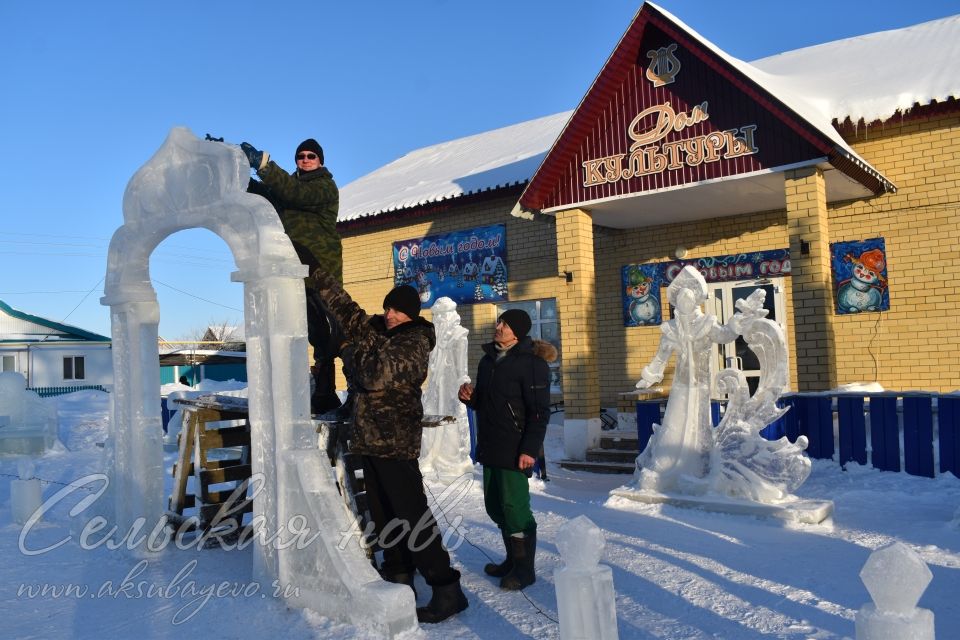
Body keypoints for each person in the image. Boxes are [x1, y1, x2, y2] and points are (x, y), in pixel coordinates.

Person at [309, 267, 468, 624]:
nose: (389, 314)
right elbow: (347, 310)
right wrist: (318, 275)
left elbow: (374, 375)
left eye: (397, 310)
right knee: (383, 514)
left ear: (412, 314)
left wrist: (348, 349)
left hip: (396, 442)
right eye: (387, 308)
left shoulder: (415, 341)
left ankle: (447, 589)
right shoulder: (379, 329)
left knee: (412, 516)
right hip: (369, 439)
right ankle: (399, 578)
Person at [239, 138, 343, 414]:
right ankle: (323, 395)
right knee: (315, 337)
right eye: (300, 156)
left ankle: (359, 393)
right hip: (296, 275)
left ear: (320, 160)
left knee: (338, 336)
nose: (305, 160)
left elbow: (295, 193)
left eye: (311, 156)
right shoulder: (289, 189)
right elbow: (267, 195)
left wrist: (263, 164)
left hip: (323, 275)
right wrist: (239, 174)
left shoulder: (323, 187)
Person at [458, 309, 555, 590]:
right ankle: (512, 560)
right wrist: (471, 398)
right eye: (499, 322)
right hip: (491, 446)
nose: (498, 326)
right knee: (495, 506)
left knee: (515, 508)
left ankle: (525, 569)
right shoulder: (489, 361)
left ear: (518, 331)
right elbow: (487, 404)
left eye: (504, 324)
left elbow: (539, 413)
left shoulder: (532, 364)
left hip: (515, 449)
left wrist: (530, 449)